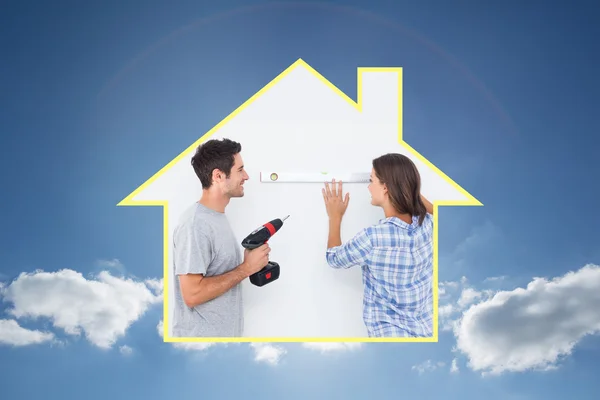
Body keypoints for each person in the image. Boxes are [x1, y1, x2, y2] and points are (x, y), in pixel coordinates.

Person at [321, 153, 435, 338]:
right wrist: (409, 188)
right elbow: (439, 212)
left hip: (390, 333)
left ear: (385, 187)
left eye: (371, 180)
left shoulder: (373, 239)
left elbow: (334, 259)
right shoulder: (427, 225)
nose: (368, 186)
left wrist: (335, 217)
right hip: (425, 329)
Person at [171, 138, 271, 337]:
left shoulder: (216, 218)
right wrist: (246, 268)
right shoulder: (196, 224)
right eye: (240, 170)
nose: (246, 176)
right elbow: (192, 294)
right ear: (218, 176)